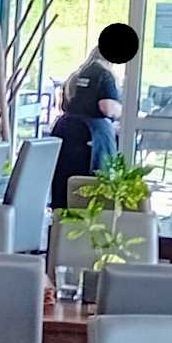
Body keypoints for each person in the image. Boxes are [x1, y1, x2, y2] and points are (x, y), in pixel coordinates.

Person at [50, 21, 137, 205]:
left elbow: (64, 103)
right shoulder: (104, 75)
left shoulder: (77, 74)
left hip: (66, 131)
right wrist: (124, 112)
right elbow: (106, 106)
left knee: (65, 185)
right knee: (89, 187)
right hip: (90, 137)